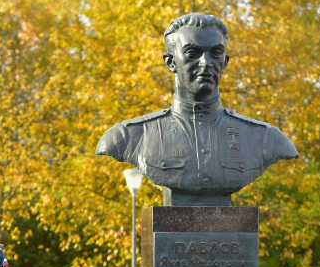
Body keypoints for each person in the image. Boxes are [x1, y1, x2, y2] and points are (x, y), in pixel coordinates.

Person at [96, 12, 298, 206]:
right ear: (171, 62)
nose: (207, 63)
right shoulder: (130, 137)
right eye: (192, 53)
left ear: (225, 62)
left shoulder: (266, 139)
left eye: (216, 53)